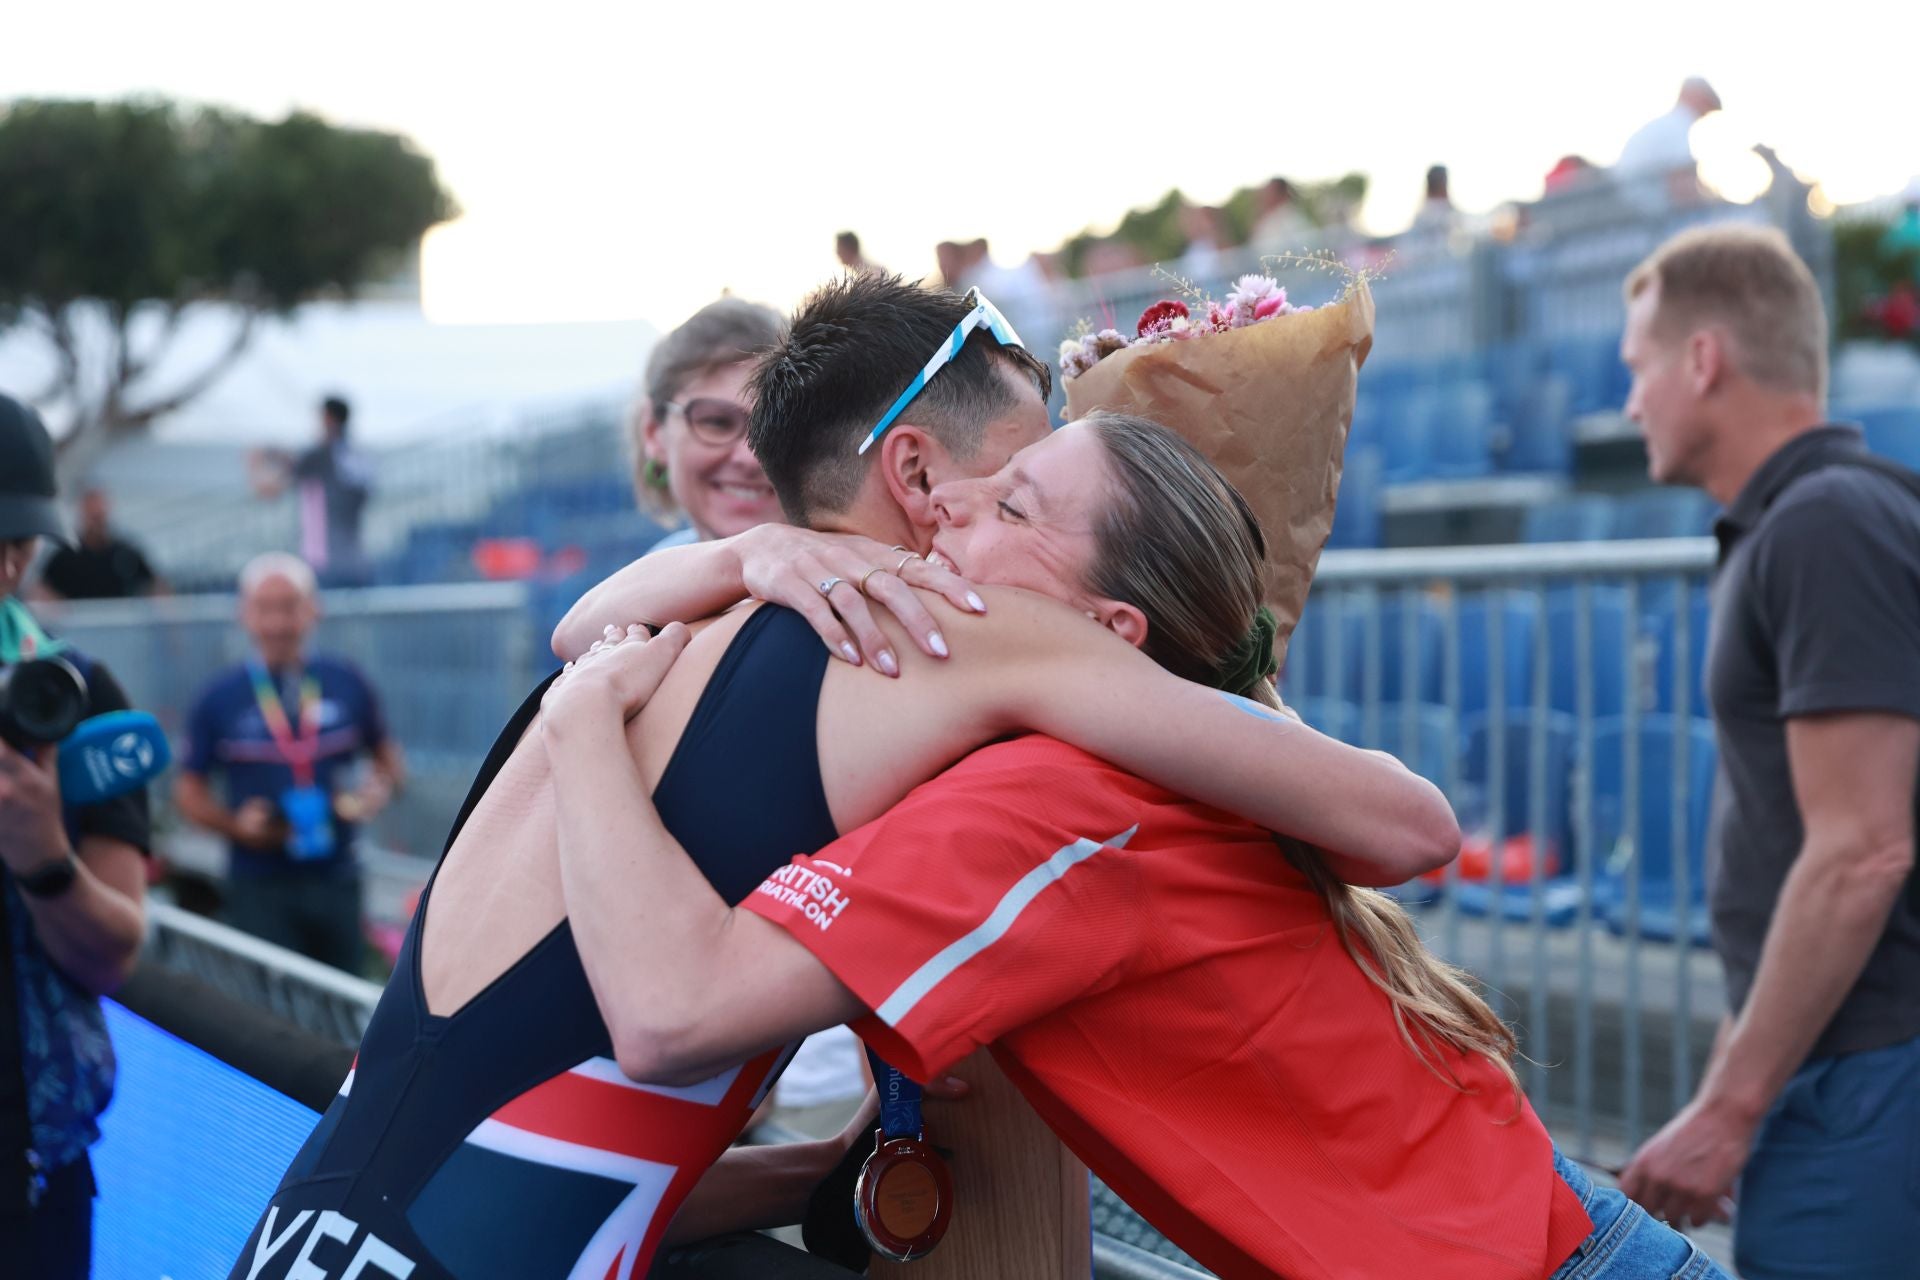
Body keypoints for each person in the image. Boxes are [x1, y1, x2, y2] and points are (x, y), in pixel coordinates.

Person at [228, 275, 1459, 1280]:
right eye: (1024, 469)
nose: (996, 508)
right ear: (920, 477)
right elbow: (1400, 822)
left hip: (298, 1229)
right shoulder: (949, 629)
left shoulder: (629, 647)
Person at [543, 410, 1735, 1280]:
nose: (948, 506)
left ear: (1107, 632)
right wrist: (742, 555)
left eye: (1011, 505)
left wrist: (582, 723)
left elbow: (669, 1011)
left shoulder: (1053, 807)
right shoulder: (1102, 766)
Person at [1613, 224, 1920, 1277]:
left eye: (1640, 366)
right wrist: (1736, 1077)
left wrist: (1728, 1108)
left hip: (1877, 1074)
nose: (1630, 401)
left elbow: (1862, 849)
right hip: (1837, 1066)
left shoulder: (1826, 523)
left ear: (1703, 359)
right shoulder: (1806, 521)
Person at [0, 394, 150, 1278]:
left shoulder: (74, 699)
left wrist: (41, 856)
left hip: (32, 1170)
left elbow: (113, 955)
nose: (9, 560)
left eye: (16, 540)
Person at [175, 553, 404, 973]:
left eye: (290, 607)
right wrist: (234, 825)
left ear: (313, 609)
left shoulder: (346, 681)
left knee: (342, 1005)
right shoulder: (218, 697)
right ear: (244, 615)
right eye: (265, 609)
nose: (278, 624)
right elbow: (188, 791)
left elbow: (387, 758)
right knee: (270, 1017)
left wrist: (375, 790)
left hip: (338, 876)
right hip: (259, 881)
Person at [631, 298, 788, 552]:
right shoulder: (653, 572)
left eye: (777, 425)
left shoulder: (859, 577)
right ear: (653, 432)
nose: (751, 458)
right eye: (717, 422)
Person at [247, 396, 375, 588]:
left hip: (321, 561)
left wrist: (254, 465)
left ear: (328, 419)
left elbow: (269, 490)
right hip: (355, 560)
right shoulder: (357, 456)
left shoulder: (321, 456)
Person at [35, 487, 162, 601]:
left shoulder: (126, 552)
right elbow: (41, 587)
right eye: (93, 518)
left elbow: (155, 583)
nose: (97, 524)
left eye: (100, 517)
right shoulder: (67, 554)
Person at [1614, 76, 1721, 181]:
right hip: (1639, 192)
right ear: (1693, 95)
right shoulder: (1678, 125)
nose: (1706, 110)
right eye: (1706, 100)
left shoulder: (1666, 123)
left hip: (1629, 188)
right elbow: (1682, 180)